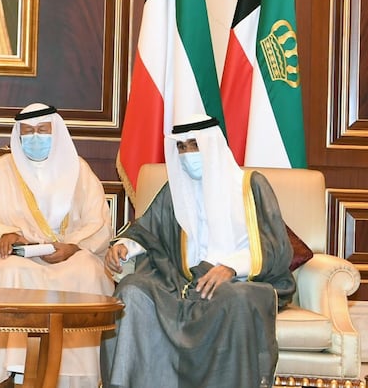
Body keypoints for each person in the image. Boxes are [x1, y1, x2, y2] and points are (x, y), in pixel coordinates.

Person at [101, 114, 296, 388]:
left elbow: (275, 246)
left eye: (193, 145)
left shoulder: (250, 185)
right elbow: (149, 229)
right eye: (180, 147)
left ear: (212, 145)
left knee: (236, 301)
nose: (186, 155)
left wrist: (231, 268)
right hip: (181, 281)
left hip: (241, 280)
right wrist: (124, 246)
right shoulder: (175, 189)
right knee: (132, 291)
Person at [0, 103, 114, 388]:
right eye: (27, 132)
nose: (34, 137)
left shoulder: (79, 169)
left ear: (55, 132)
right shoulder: (1, 170)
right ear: (18, 136)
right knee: (11, 273)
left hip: (67, 254)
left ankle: (72, 378)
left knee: (87, 272)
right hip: (20, 255)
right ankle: (9, 373)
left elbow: (98, 221)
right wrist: (4, 234)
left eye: (42, 131)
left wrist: (74, 246)